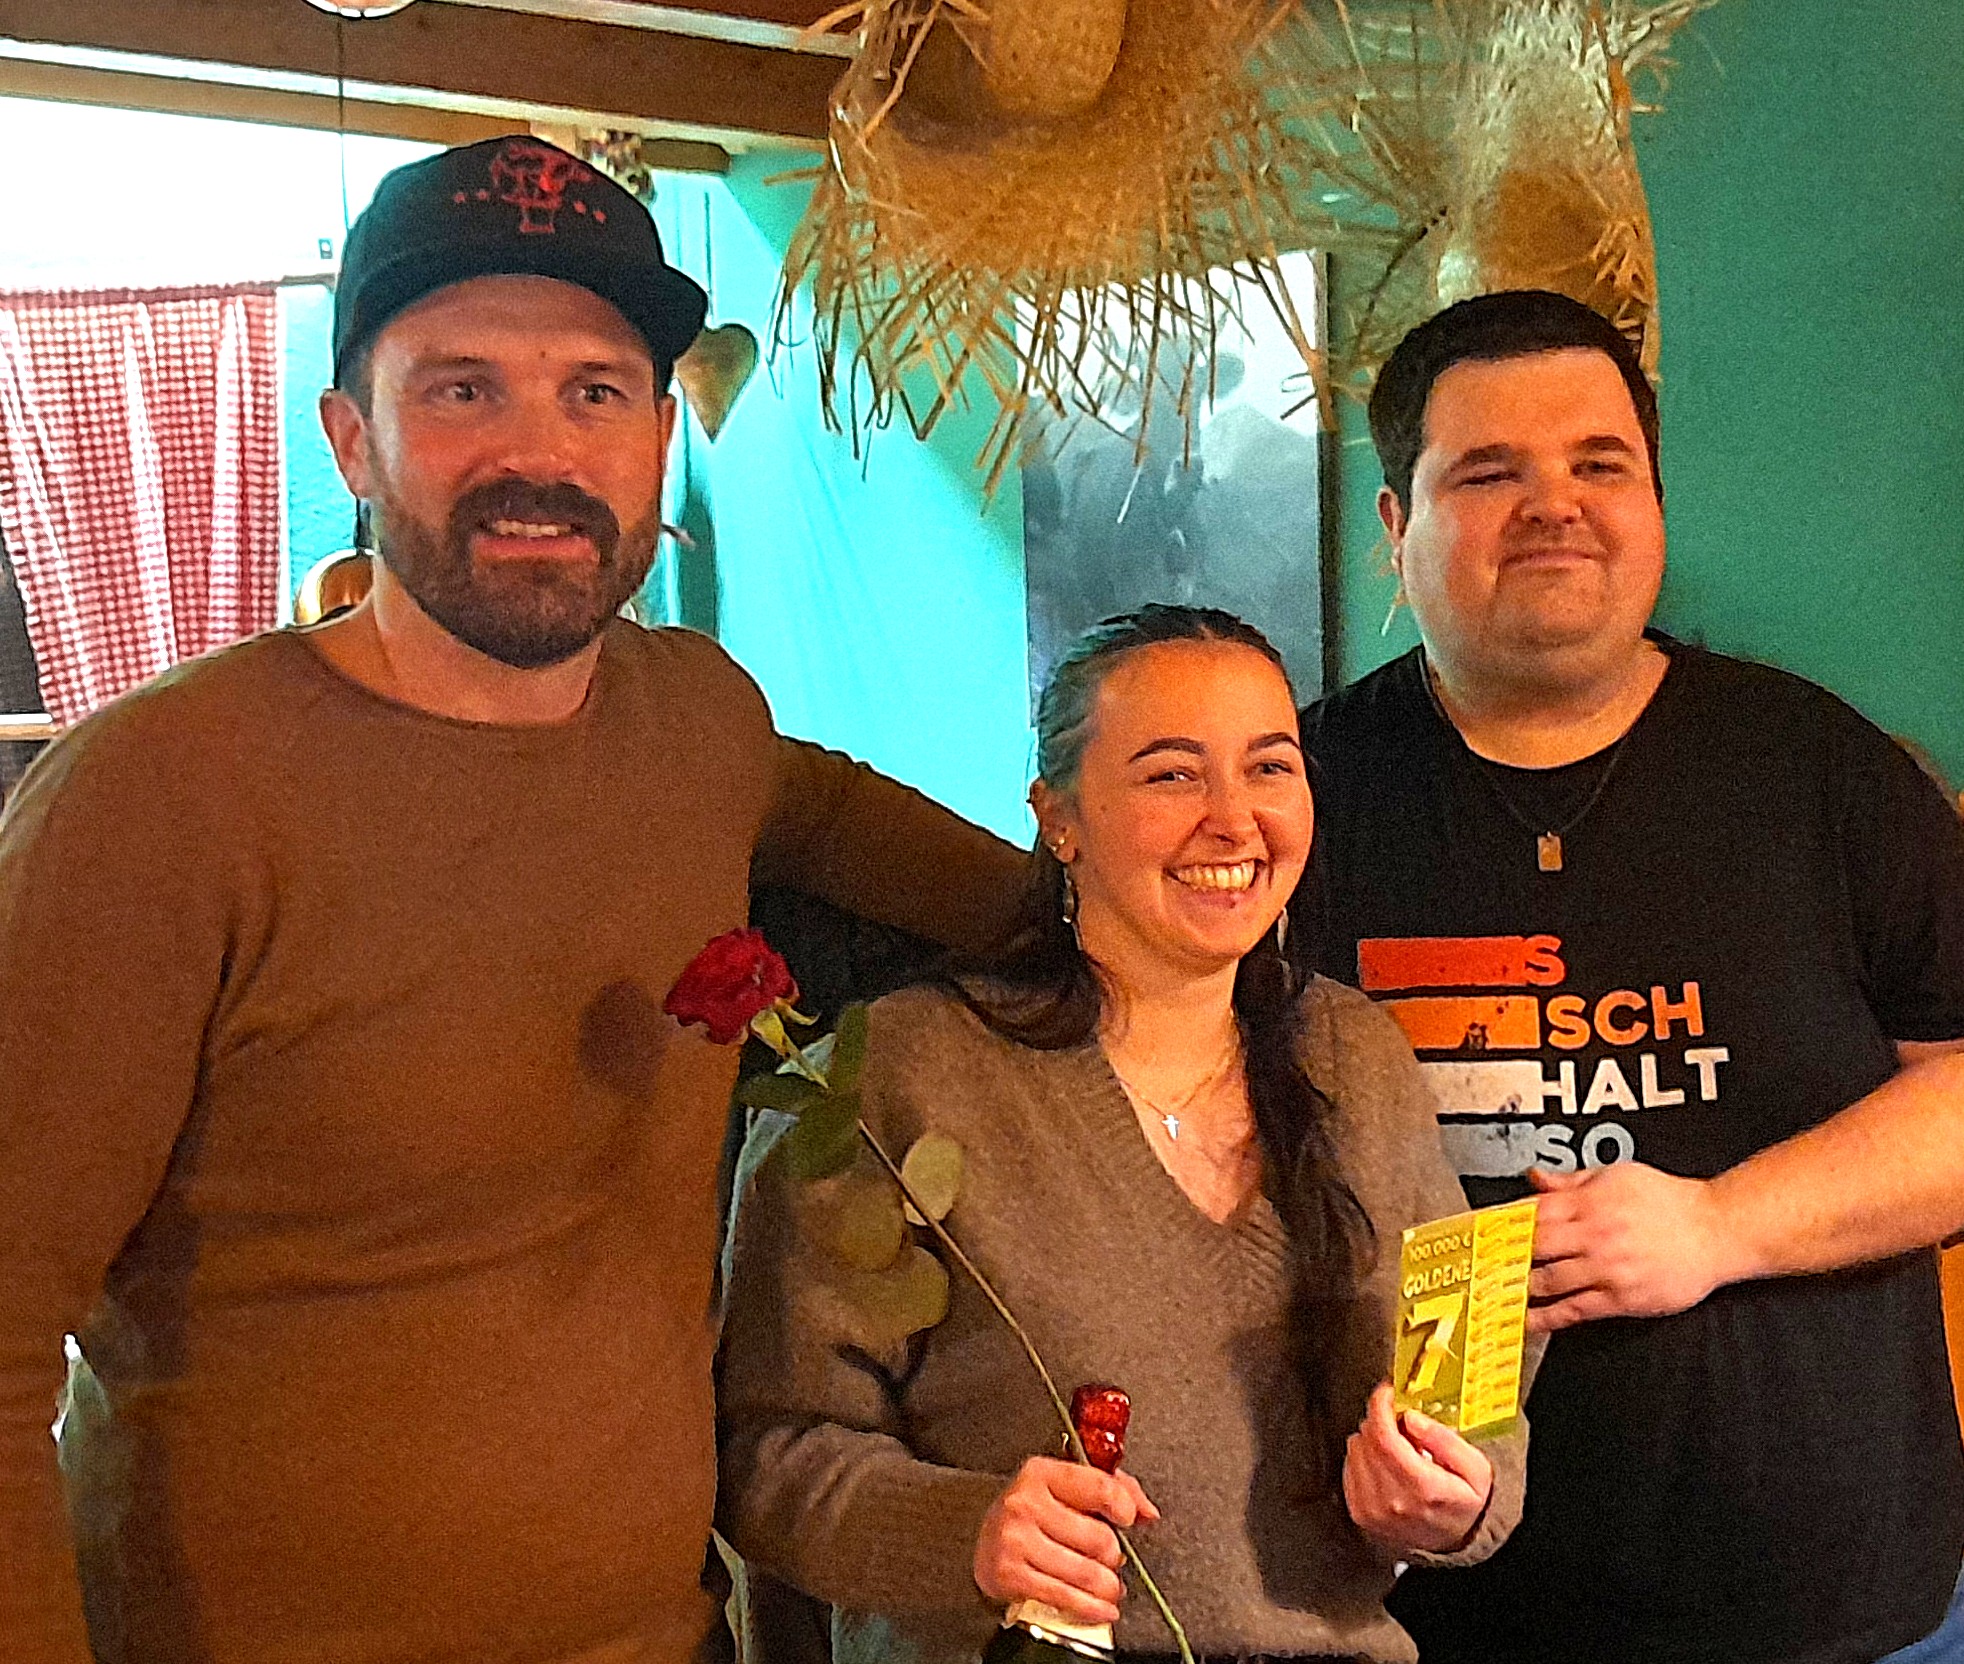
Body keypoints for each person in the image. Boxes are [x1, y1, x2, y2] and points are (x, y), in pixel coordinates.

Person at [0, 135, 1026, 1664]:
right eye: (461, 390)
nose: (537, 456)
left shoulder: (698, 722)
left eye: (594, 392)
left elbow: (829, 813)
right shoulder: (158, 797)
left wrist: (1120, 920)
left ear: (661, 433)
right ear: (352, 441)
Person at [1297, 289, 1964, 1664]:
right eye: (1487, 473)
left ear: (1653, 501)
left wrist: (1718, 1224)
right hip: (1409, 1612)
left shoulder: (1818, 768)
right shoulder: (1295, 798)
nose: (1553, 505)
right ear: (1394, 526)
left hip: (1831, 1606)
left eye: (1597, 463)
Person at [719, 605, 1529, 1664]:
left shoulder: (1361, 1055)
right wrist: (964, 1531)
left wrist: (1457, 1497)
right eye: (1172, 775)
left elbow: (1467, 1393)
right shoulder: (897, 1075)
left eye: (1269, 768)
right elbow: (770, 1449)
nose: (1233, 820)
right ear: (1057, 818)